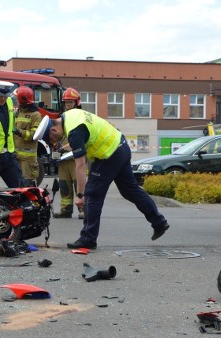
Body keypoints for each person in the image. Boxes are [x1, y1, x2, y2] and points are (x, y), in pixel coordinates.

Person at [35, 109, 170, 249]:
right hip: (120, 145)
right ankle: (159, 222)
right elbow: (83, 138)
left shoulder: (74, 131)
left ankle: (88, 239)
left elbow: (81, 166)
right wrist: (63, 150)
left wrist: (80, 195)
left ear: (53, 130)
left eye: (52, 139)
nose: (54, 141)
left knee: (92, 194)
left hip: (108, 155)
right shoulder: (71, 115)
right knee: (130, 190)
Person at [53, 87, 84, 219]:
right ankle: (66, 210)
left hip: (77, 157)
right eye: (66, 103)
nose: (68, 105)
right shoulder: (62, 118)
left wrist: (63, 148)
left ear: (77, 103)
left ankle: (83, 210)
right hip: (63, 159)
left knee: (79, 185)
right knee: (64, 185)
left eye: (70, 102)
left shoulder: (81, 118)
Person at [12, 86, 42, 186]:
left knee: (28, 187)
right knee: (17, 188)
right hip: (16, 157)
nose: (15, 100)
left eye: (17, 98)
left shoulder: (35, 115)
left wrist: (18, 131)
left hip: (28, 161)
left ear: (22, 99)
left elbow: (34, 135)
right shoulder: (17, 113)